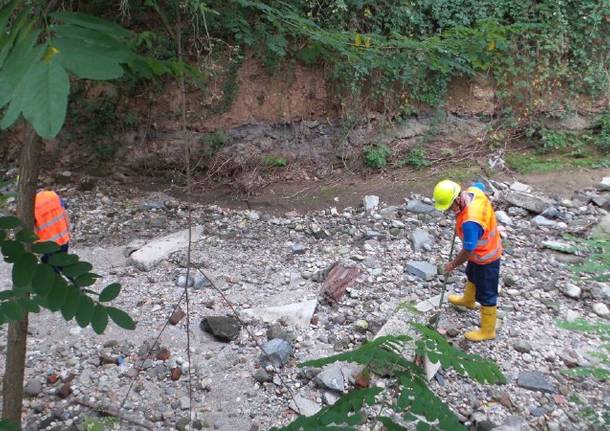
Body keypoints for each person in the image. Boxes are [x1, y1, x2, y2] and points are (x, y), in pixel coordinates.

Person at [433, 179, 502, 342]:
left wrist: (453, 264)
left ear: (457, 199)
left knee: (487, 293)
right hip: (478, 255)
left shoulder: (470, 222)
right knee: (471, 274)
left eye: (450, 207)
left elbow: (468, 250)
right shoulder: (473, 192)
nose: (449, 211)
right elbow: (480, 185)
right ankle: (468, 300)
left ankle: (488, 330)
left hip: (487, 257)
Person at [34, 190, 70, 262]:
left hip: (47, 245)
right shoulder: (53, 195)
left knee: (51, 270)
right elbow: (65, 214)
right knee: (61, 265)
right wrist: (68, 231)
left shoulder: (32, 205)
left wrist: (34, 245)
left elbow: (33, 228)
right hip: (63, 239)